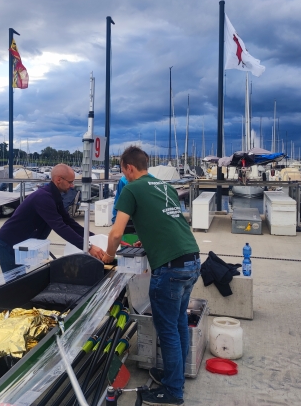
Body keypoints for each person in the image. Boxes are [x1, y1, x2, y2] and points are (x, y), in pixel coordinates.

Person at [104, 146, 200, 406]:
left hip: (170, 269)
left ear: (128, 167)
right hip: (192, 260)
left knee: (168, 329)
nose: (122, 173)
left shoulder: (131, 189)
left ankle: (172, 392)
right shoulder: (166, 187)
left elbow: (115, 234)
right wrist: (143, 242)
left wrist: (108, 256)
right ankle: (174, 376)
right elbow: (163, 224)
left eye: (122, 169)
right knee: (179, 323)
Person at [0, 164, 106, 272]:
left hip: (26, 245)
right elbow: (60, 227)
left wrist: (95, 237)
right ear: (58, 180)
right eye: (70, 182)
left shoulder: (54, 196)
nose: (72, 185)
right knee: (16, 284)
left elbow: (69, 223)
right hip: (8, 244)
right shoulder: (43, 198)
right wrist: (88, 246)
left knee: (24, 282)